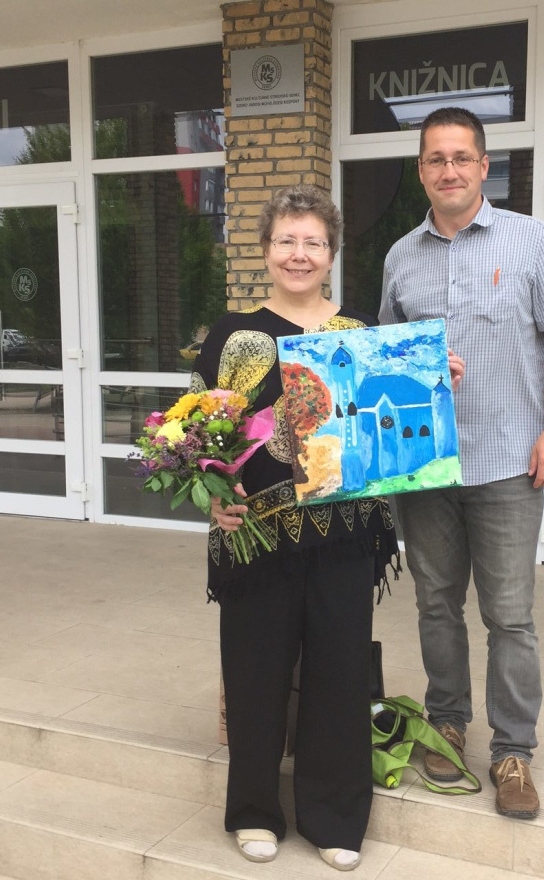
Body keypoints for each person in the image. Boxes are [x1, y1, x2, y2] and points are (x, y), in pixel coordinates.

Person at [379, 107, 544, 819]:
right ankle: (446, 721)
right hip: (425, 466)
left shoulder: (532, 241)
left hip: (508, 460)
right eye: (436, 159)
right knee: (436, 604)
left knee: (510, 616)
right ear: (421, 170)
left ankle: (513, 751)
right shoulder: (400, 257)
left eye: (461, 157)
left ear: (483, 166)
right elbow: (385, 360)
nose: (450, 170)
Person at [191, 185, 400, 872]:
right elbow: (197, 431)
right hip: (256, 535)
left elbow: (385, 423)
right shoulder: (232, 335)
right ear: (265, 250)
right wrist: (212, 496)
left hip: (344, 534)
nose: (299, 254)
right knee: (255, 674)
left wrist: (428, 378)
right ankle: (254, 811)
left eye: (313, 242)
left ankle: (334, 816)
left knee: (339, 673)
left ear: (332, 253)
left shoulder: (360, 331)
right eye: (287, 240)